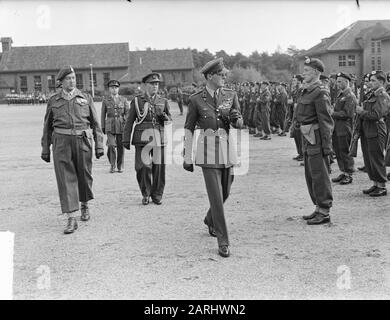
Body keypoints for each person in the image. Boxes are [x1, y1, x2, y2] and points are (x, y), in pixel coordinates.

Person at [183, 57, 243, 258]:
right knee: (216, 197)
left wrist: (238, 120)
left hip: (226, 148)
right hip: (207, 151)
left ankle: (210, 219)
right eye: (221, 74)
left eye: (225, 74)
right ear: (210, 76)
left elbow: (239, 120)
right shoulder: (196, 99)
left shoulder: (230, 95)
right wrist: (187, 155)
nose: (225, 77)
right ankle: (223, 241)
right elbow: (189, 128)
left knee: (226, 191)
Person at [41, 65, 104, 234]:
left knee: (84, 175)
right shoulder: (54, 101)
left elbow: (96, 124)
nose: (72, 81)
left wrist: (99, 145)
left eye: (74, 78)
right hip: (61, 143)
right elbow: (47, 127)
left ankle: (84, 204)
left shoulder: (86, 98)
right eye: (68, 78)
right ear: (60, 82)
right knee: (65, 179)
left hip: (82, 142)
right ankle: (71, 218)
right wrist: (45, 149)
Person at [123, 72, 172, 205]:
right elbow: (129, 121)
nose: (155, 86)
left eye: (157, 84)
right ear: (145, 85)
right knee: (142, 167)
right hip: (142, 138)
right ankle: (146, 193)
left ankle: (157, 195)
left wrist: (165, 118)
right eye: (152, 84)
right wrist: (126, 139)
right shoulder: (137, 101)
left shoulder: (163, 101)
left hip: (158, 137)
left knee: (159, 168)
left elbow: (169, 120)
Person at [295, 57, 334, 225]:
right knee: (311, 174)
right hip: (307, 136)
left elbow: (326, 122)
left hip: (317, 138)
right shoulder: (307, 90)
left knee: (320, 175)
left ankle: (324, 211)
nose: (304, 74)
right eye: (304, 71)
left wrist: (327, 147)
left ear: (317, 73)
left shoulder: (320, 92)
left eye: (307, 71)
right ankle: (318, 207)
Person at [356, 70, 390, 197]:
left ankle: (381, 186)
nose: (370, 83)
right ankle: (375, 183)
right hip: (368, 129)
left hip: (376, 129)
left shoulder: (383, 96)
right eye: (370, 80)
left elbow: (377, 115)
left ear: (381, 81)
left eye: (373, 80)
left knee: (376, 157)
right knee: (369, 158)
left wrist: (361, 112)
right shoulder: (372, 95)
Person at [331, 72, 357, 185]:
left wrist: (333, 113)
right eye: (337, 81)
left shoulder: (349, 95)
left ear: (347, 82)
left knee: (345, 151)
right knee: (338, 150)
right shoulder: (340, 94)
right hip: (337, 127)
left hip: (345, 127)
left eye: (340, 81)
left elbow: (348, 114)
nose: (337, 83)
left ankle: (349, 173)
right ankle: (343, 171)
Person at [101, 80, 130, 173]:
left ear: (118, 88)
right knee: (111, 146)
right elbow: (102, 115)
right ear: (109, 89)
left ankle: (120, 165)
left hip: (121, 125)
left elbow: (128, 113)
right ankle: (112, 165)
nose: (114, 89)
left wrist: (125, 121)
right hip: (110, 125)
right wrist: (103, 127)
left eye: (116, 87)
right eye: (112, 87)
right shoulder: (106, 100)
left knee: (121, 146)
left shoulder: (124, 100)